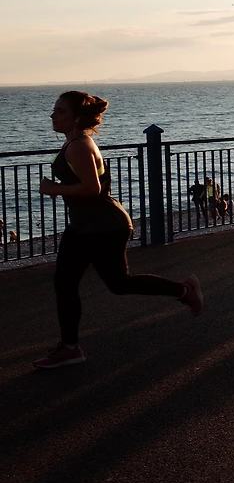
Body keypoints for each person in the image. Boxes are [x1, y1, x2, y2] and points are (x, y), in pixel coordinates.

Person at [34, 92, 202, 370]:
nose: (53, 115)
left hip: (103, 226)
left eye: (60, 111)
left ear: (77, 117)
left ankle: (184, 290)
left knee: (101, 284)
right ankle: (70, 347)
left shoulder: (79, 145)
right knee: (94, 284)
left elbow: (92, 189)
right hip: (88, 225)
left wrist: (54, 188)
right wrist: (60, 189)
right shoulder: (74, 143)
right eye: (54, 110)